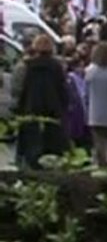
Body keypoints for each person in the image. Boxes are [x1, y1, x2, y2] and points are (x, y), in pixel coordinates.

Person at [16, 34, 69, 168]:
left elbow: (23, 88)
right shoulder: (56, 66)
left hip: (32, 106)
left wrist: (20, 106)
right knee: (52, 139)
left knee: (32, 140)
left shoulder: (28, 66)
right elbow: (62, 87)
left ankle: (32, 164)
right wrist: (65, 105)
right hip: (53, 107)